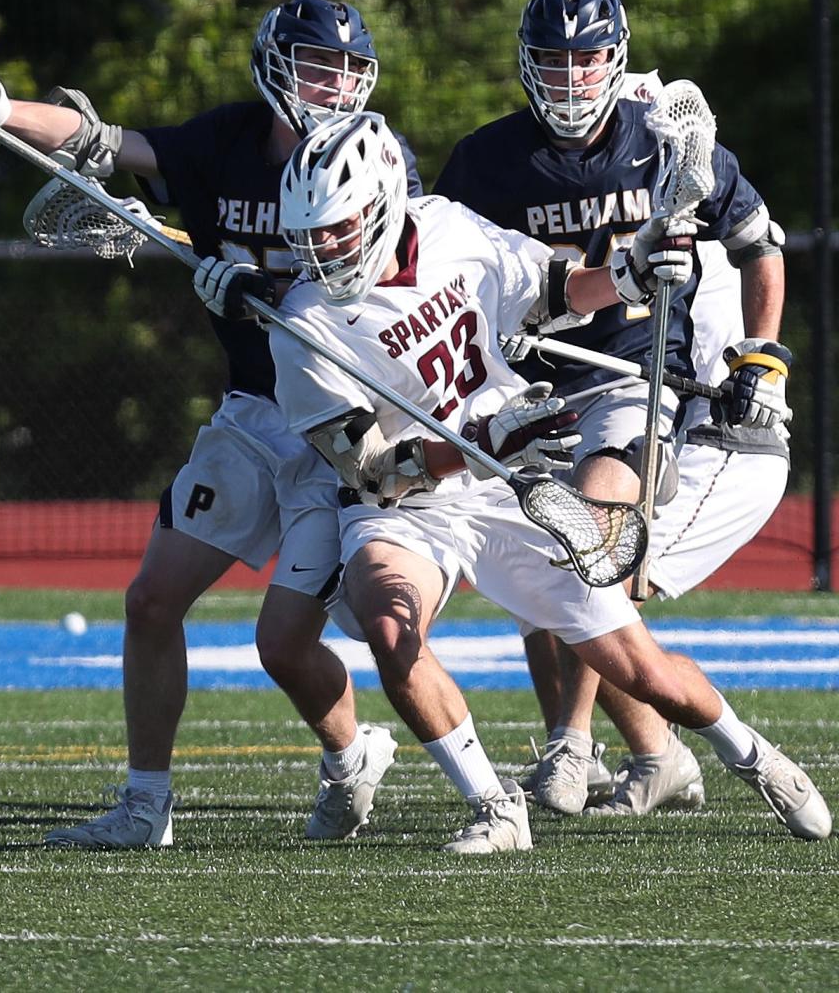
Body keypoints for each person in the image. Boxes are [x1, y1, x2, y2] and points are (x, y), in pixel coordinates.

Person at [194, 110, 831, 846]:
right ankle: (497, 809)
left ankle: (756, 756)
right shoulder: (302, 327)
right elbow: (370, 476)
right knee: (388, 623)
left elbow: (554, 290)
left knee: (641, 669)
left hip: (510, 481)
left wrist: (629, 268)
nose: (322, 251)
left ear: (384, 204)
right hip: (414, 501)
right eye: (310, 235)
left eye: (338, 230)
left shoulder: (446, 231)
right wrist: (473, 443)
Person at [0, 0, 423, 848]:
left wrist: (277, 291)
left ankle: (351, 755)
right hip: (255, 415)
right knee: (150, 601)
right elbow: (101, 141)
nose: (332, 85)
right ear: (272, 67)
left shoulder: (376, 157)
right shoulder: (223, 142)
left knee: (285, 647)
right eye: (315, 64)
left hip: (340, 426)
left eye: (346, 70)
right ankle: (147, 803)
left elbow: (403, 287)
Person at [433, 0, 792, 817]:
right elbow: (444, 271)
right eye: (555, 60)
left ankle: (569, 744)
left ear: (617, 57)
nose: (571, 76)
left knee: (590, 542)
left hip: (635, 379)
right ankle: (653, 754)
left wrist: (764, 355)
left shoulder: (665, 138)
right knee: (537, 564)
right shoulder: (486, 160)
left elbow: (759, 245)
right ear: (526, 63)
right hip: (534, 383)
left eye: (588, 57)